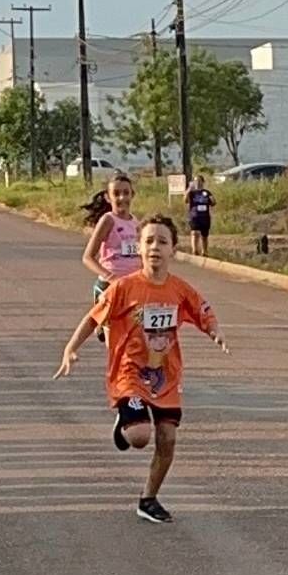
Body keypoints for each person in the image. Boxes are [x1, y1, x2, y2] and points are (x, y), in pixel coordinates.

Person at [52, 216, 221, 525]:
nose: (155, 247)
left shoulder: (180, 289)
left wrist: (214, 332)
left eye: (163, 242)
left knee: (167, 439)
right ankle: (126, 422)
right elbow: (93, 318)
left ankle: (148, 499)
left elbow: (203, 311)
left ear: (173, 250)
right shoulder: (124, 287)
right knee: (141, 437)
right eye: (149, 241)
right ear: (139, 248)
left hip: (166, 376)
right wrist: (71, 348)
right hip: (129, 373)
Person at [81, 174, 141, 303]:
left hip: (132, 285)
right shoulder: (108, 220)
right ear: (108, 197)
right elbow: (87, 257)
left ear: (132, 195)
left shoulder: (135, 222)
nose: (122, 198)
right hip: (110, 286)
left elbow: (138, 254)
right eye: (116, 193)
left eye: (126, 193)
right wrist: (110, 277)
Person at [184, 175, 215, 256]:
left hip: (204, 217)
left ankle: (205, 251)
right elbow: (185, 200)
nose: (197, 182)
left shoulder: (206, 192)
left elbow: (213, 202)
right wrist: (188, 190)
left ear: (202, 182)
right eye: (195, 181)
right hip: (194, 216)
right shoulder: (191, 193)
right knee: (194, 233)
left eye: (199, 180)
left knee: (204, 235)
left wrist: (212, 200)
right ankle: (194, 250)